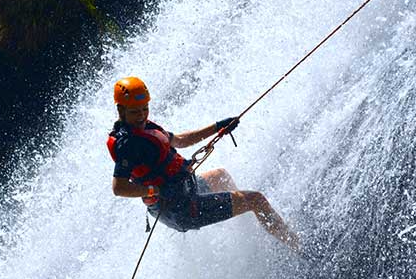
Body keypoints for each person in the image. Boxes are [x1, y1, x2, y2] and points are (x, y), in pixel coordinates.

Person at [107, 76, 300, 249]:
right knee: (256, 200)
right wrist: (154, 191)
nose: (142, 115)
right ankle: (299, 248)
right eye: (135, 112)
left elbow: (181, 140)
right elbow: (119, 188)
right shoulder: (128, 144)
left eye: (145, 109)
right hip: (180, 209)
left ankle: (250, 232)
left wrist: (218, 128)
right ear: (121, 110)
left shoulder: (146, 127)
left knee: (221, 176)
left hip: (184, 190)